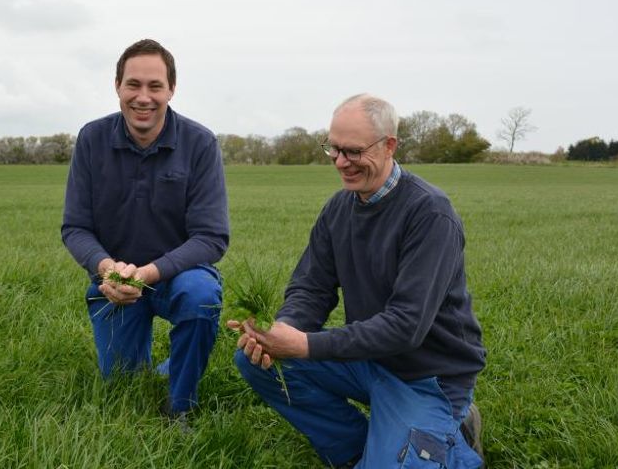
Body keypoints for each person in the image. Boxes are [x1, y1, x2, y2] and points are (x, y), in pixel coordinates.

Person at [230, 94, 486, 468]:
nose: (341, 162)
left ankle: (457, 432)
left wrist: (304, 345)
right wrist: (282, 330)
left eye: (352, 151)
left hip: (427, 377)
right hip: (368, 360)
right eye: (333, 149)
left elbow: (405, 326)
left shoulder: (430, 214)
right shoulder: (338, 208)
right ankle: (356, 449)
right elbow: (310, 288)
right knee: (258, 361)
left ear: (389, 146)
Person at [62, 39, 229, 421]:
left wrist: (149, 273)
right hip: (113, 282)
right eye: (133, 84)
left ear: (171, 89)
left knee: (200, 295)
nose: (143, 97)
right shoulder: (91, 139)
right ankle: (164, 368)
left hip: (177, 277)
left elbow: (212, 237)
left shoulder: (200, 143)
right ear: (117, 86)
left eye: (155, 86)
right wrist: (107, 269)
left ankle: (181, 406)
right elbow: (75, 227)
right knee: (124, 388)